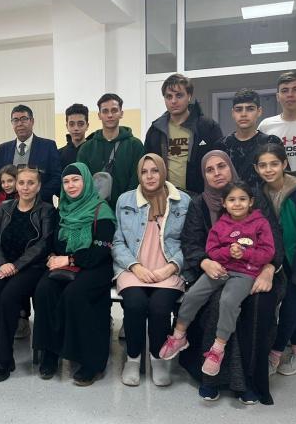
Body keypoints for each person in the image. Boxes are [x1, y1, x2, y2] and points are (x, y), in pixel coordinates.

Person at [178, 150, 284, 404]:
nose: (217, 173)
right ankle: (211, 378)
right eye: (209, 169)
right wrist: (205, 261)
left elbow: (274, 240)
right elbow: (191, 243)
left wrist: (270, 268)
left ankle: (247, 380)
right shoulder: (199, 204)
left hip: (257, 270)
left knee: (256, 304)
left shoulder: (253, 196)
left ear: (231, 167)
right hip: (214, 270)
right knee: (215, 304)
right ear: (203, 175)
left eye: (222, 166)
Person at [161, 181, 275, 378]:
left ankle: (218, 349)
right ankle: (179, 335)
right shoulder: (221, 224)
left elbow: (268, 252)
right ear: (224, 203)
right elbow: (211, 250)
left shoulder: (260, 223)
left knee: (228, 301)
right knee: (192, 295)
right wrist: (227, 252)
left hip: (245, 273)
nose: (237, 204)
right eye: (232, 200)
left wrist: (245, 254)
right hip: (221, 269)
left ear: (251, 202)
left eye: (242, 199)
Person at [33, 163, 116, 386]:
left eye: (76, 180)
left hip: (96, 266)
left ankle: (91, 361)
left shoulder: (101, 210)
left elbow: (101, 251)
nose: (71, 185)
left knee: (75, 294)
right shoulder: (63, 210)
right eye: (66, 182)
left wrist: (69, 259)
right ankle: (50, 352)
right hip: (66, 266)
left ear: (86, 181)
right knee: (44, 290)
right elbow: (53, 242)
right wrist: (52, 256)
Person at [112, 153, 190, 387]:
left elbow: (190, 243)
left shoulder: (183, 201)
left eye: (155, 170)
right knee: (135, 304)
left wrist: (172, 267)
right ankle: (133, 359)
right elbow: (117, 242)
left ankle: (158, 358)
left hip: (168, 268)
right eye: (144, 171)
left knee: (159, 307)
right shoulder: (125, 200)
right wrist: (135, 267)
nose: (149, 176)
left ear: (163, 172)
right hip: (133, 268)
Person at [0, 167, 56, 382]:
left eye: (31, 183)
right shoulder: (4, 208)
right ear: (16, 185)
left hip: (31, 267)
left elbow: (44, 244)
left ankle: (4, 358)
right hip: (3, 265)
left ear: (38, 186)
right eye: (21, 183)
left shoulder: (47, 210)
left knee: (8, 297)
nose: (25, 187)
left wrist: (16, 266)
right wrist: (2, 263)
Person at [254, 144, 296, 376]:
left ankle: (275, 353)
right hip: (279, 261)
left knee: (291, 307)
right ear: (256, 168)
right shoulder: (260, 193)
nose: (268, 169)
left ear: (284, 164)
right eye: (263, 165)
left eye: (274, 164)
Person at [144, 73, 222, 194]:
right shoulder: (155, 130)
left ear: (189, 96)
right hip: (164, 196)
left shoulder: (208, 127)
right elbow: (147, 166)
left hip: (200, 196)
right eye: (169, 96)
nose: (173, 101)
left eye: (179, 95)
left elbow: (220, 164)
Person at [77, 93, 145, 209]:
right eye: (105, 111)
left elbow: (137, 180)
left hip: (128, 209)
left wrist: (125, 205)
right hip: (95, 211)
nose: (110, 115)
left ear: (121, 113)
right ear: (99, 115)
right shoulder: (86, 148)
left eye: (114, 110)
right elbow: (83, 182)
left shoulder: (135, 145)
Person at [216, 88, 284, 189]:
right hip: (232, 198)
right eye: (239, 109)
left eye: (250, 109)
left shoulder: (272, 142)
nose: (243, 114)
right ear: (233, 113)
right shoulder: (222, 145)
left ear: (259, 111)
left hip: (266, 198)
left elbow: (284, 179)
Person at [0, 104, 61, 203]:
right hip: (9, 206)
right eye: (15, 120)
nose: (20, 124)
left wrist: (35, 195)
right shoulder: (2, 150)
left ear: (32, 121)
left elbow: (56, 177)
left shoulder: (48, 146)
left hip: (40, 205)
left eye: (24, 119)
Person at [58, 103, 89, 168]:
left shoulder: (94, 152)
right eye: (71, 124)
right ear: (67, 126)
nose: (76, 128)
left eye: (80, 124)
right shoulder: (59, 154)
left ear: (87, 126)